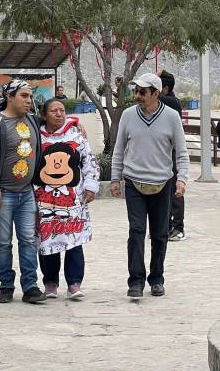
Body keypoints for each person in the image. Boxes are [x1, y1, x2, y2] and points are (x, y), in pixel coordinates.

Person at [110, 72, 189, 300]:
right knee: (136, 231)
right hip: (133, 182)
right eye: (136, 90)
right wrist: (115, 179)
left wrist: (182, 179)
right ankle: (135, 281)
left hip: (162, 184)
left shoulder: (171, 117)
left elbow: (181, 152)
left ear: (156, 93)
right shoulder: (127, 115)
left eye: (142, 91)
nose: (137, 95)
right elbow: (119, 149)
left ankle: (157, 279)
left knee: (160, 234)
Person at [0, 80, 47, 304]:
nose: (29, 100)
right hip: (2, 195)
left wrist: (75, 123)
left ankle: (30, 287)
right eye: (24, 96)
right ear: (10, 97)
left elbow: (55, 121)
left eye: (30, 96)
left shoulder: (33, 121)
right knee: (3, 242)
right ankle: (6, 286)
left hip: (26, 193)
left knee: (29, 240)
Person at [36, 98, 100, 300]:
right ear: (44, 115)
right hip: (43, 201)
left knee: (74, 242)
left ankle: (74, 283)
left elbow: (89, 163)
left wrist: (91, 186)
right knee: (47, 242)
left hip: (73, 201)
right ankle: (50, 283)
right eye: (53, 111)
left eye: (62, 110)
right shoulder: (36, 137)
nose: (59, 114)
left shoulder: (76, 136)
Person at [159, 70, 186, 241]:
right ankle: (167, 225)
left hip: (172, 154)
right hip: (163, 154)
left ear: (165, 88)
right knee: (164, 191)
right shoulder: (169, 100)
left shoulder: (170, 102)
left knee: (175, 190)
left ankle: (178, 227)